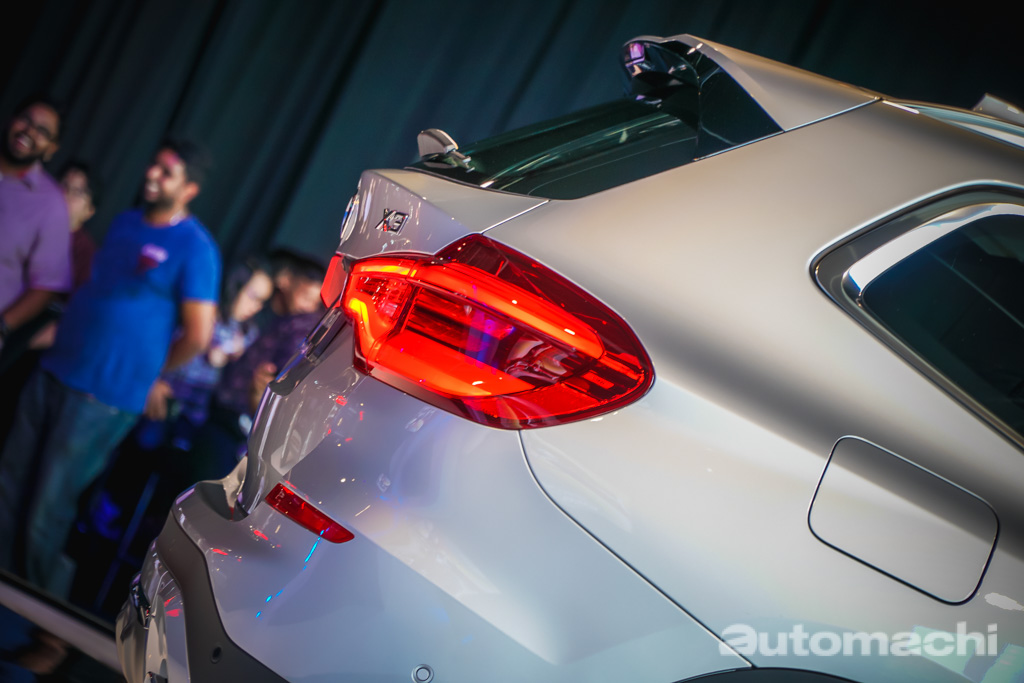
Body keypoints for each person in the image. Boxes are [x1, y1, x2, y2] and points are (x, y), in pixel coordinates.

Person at [0, 138, 221, 597]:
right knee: (9, 483)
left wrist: (151, 373)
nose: (152, 175)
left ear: (190, 190)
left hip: (104, 393)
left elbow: (198, 335)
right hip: (57, 368)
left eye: (167, 172)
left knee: (47, 506)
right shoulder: (126, 222)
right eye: (153, 165)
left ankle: (41, 620)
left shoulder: (195, 247)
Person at [189, 249, 325, 481]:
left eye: (315, 300)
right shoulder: (261, 313)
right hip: (210, 406)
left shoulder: (301, 327)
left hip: (238, 424)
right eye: (306, 294)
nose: (311, 305)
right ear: (284, 279)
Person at [0, 94, 71, 356]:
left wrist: (3, 326)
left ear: (51, 148)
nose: (29, 131)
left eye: (42, 131)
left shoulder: (51, 205)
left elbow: (47, 286)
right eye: (25, 120)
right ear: (11, 121)